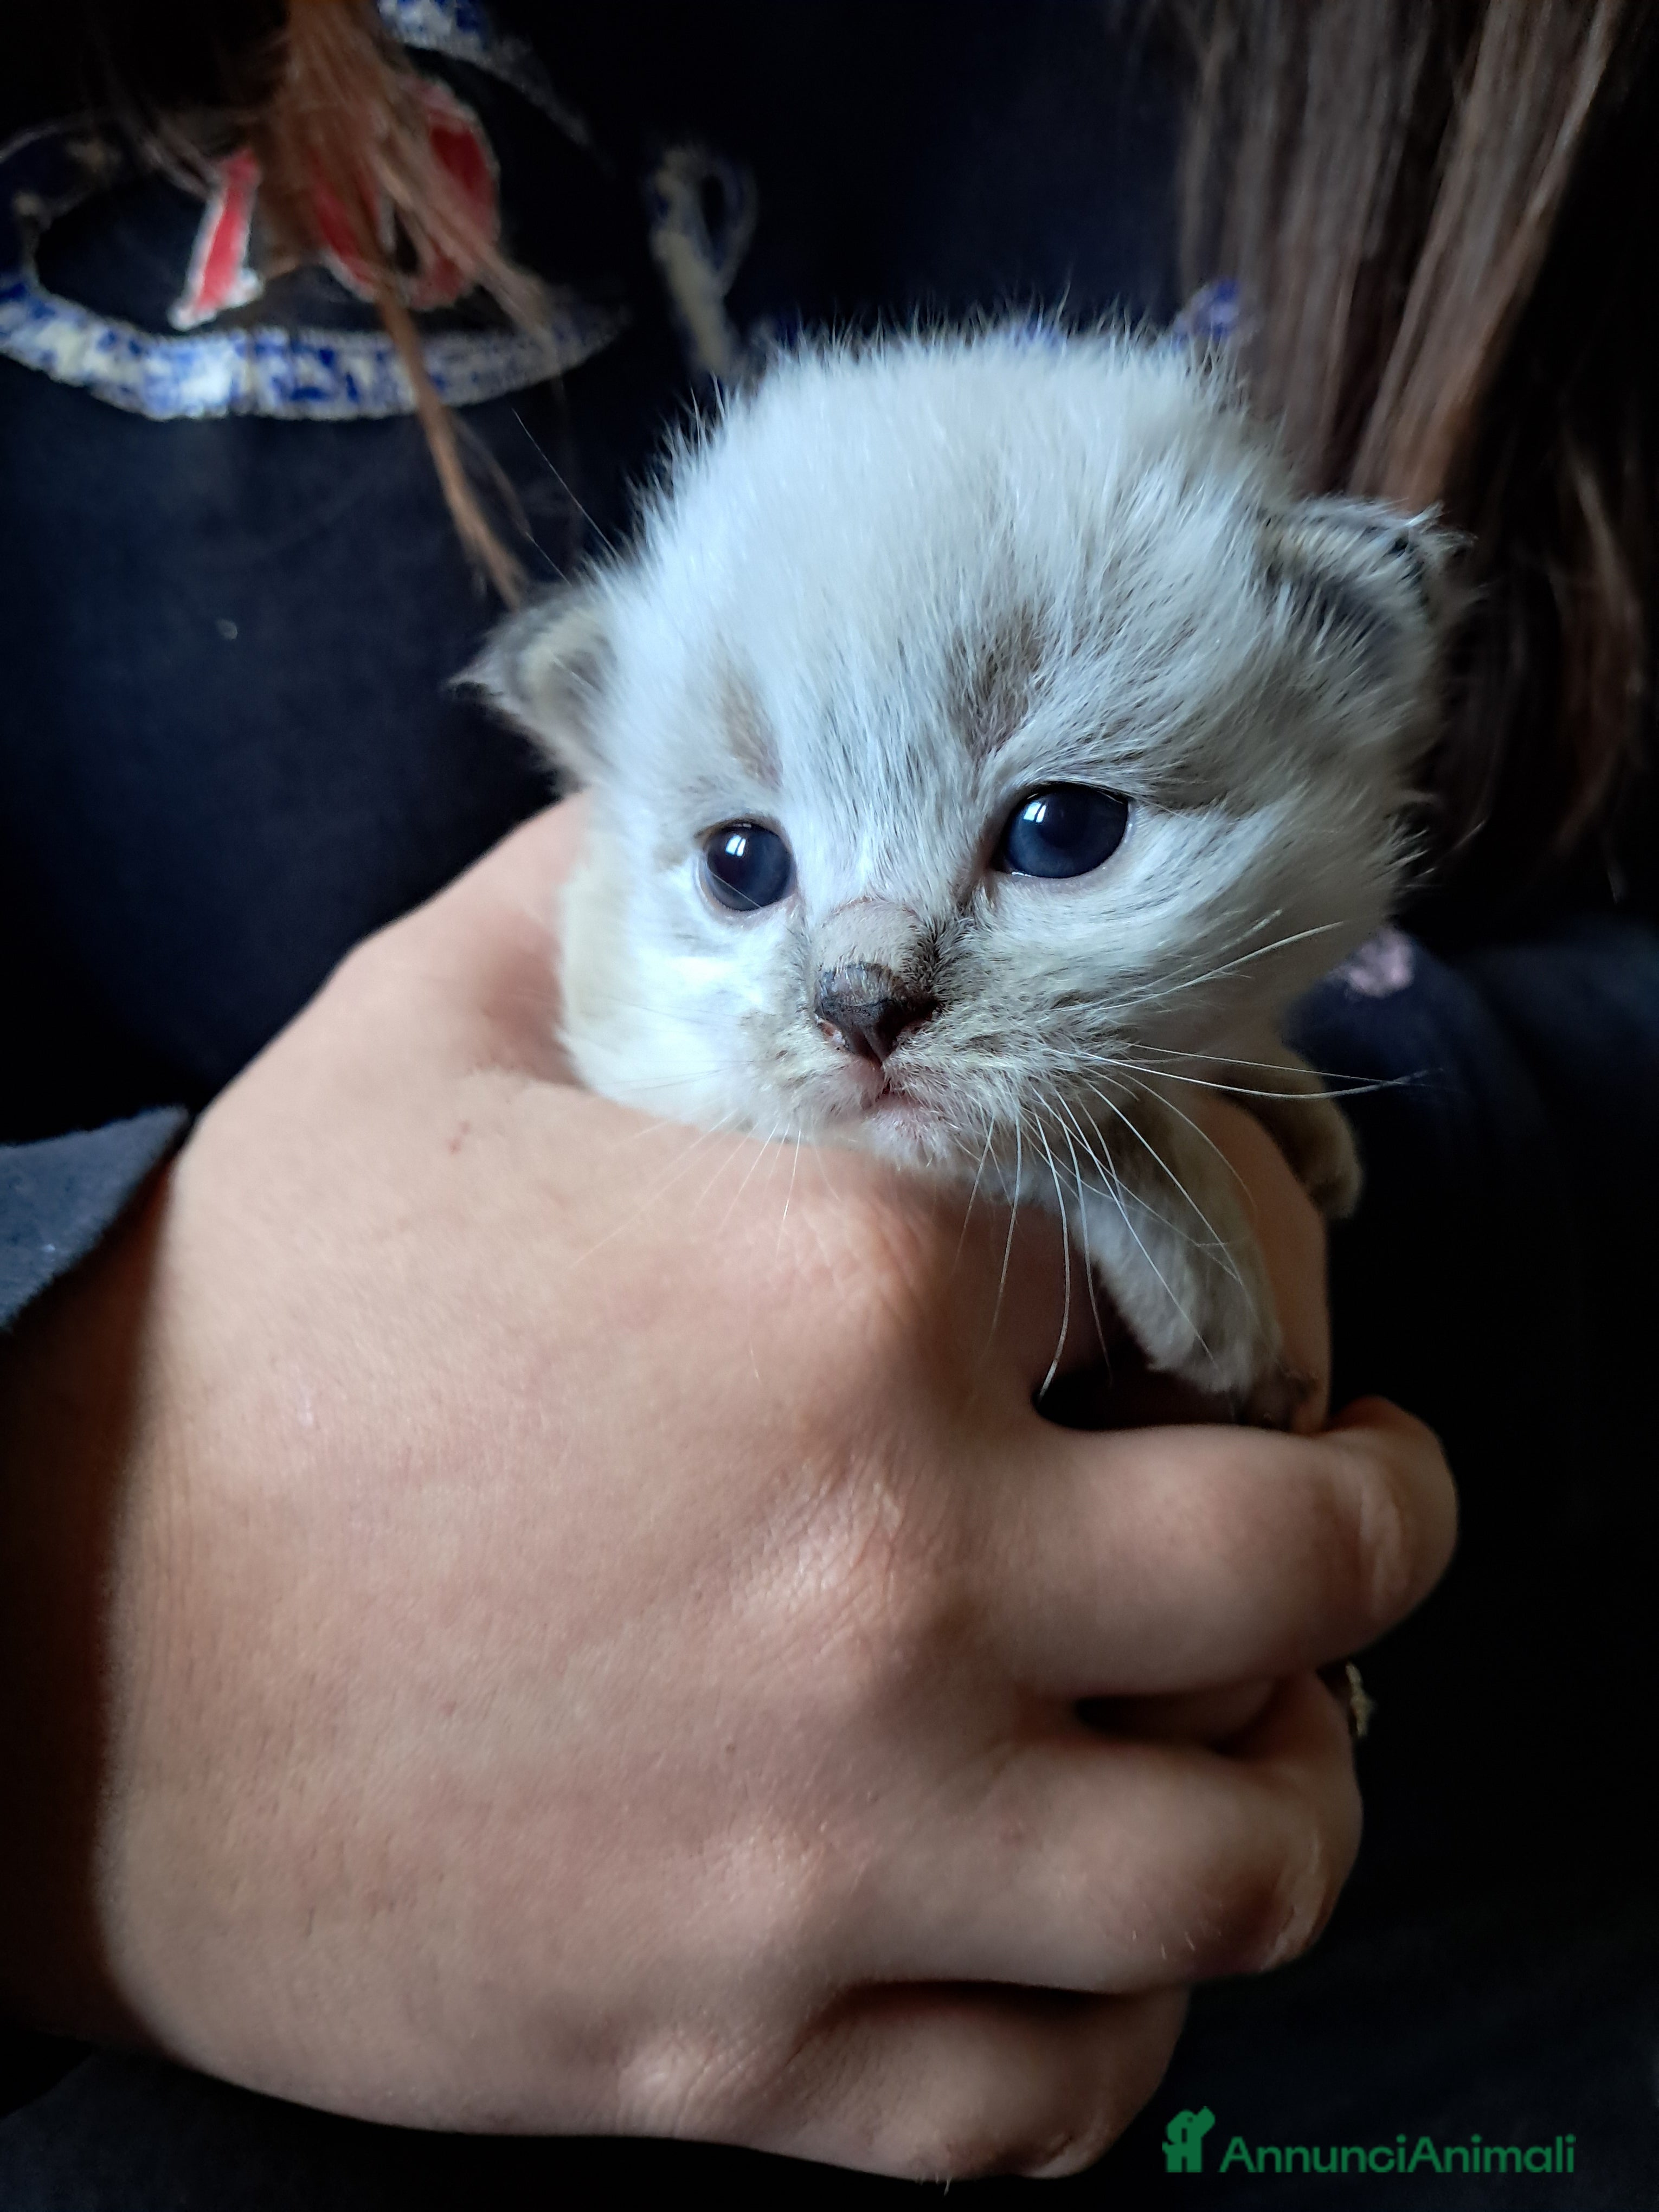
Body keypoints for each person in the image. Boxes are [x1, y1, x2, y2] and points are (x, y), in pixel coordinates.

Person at [0, 2, 1652, 2203]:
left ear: (1353, 686)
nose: (862, 987)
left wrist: (1240, 1134)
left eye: (1055, 830)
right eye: (745, 864)